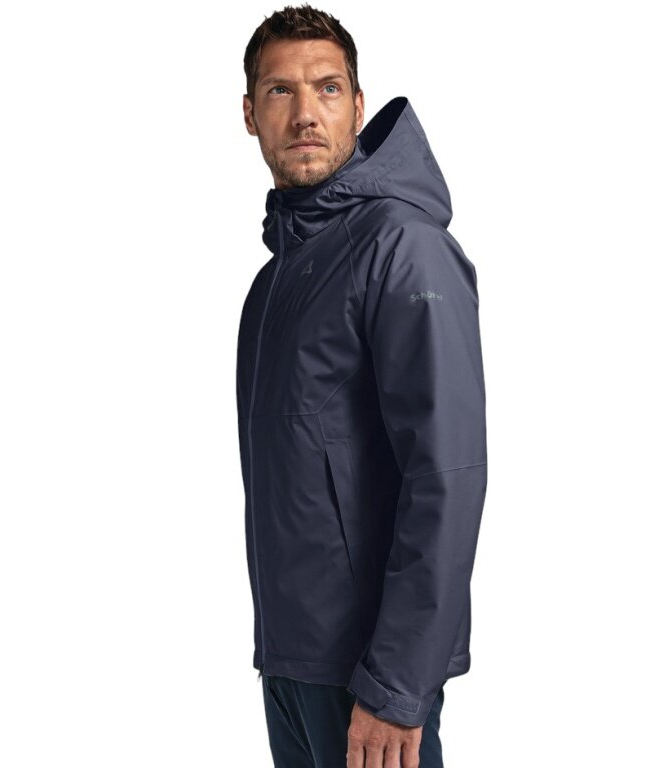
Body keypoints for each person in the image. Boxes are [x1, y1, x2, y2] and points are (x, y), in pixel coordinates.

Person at [238, 4, 487, 766]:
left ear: (358, 104)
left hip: (369, 682)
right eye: (280, 91)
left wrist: (397, 684)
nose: (305, 113)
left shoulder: (402, 249)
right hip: (292, 666)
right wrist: (282, 662)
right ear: (249, 114)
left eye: (327, 87)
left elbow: (446, 475)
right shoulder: (274, 283)